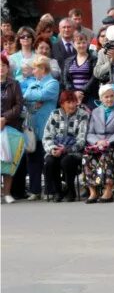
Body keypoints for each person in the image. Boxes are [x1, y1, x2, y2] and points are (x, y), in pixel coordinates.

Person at [22, 55, 60, 200]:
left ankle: (50, 189)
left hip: (47, 128)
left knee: (46, 160)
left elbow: (43, 94)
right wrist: (36, 98)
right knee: (32, 160)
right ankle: (35, 191)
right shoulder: (32, 83)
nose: (33, 72)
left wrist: (36, 97)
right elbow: (25, 99)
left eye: (35, 69)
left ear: (43, 68)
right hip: (33, 128)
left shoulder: (53, 83)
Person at [42, 90, 89, 202]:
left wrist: (66, 149)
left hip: (73, 150)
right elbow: (47, 136)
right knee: (50, 161)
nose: (72, 105)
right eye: (69, 102)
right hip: (56, 148)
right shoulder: (55, 114)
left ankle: (70, 190)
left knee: (66, 161)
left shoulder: (83, 115)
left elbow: (82, 138)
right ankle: (58, 191)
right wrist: (53, 149)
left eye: (73, 102)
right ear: (62, 103)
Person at [82, 84, 114, 203]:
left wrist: (107, 142)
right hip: (97, 144)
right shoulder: (95, 111)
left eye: (112, 96)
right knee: (87, 156)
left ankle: (108, 190)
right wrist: (97, 142)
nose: (109, 99)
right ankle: (93, 191)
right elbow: (89, 133)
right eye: (106, 97)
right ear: (101, 98)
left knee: (107, 156)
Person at [0, 54, 24, 203]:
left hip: (10, 128)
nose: (0, 69)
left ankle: (7, 192)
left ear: (7, 68)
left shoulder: (14, 84)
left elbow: (18, 105)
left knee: (8, 161)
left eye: (3, 66)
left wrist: (4, 117)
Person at [62, 31, 97, 107]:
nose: (81, 45)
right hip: (72, 96)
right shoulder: (68, 60)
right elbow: (65, 79)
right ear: (73, 44)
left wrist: (81, 92)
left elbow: (94, 77)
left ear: (87, 44)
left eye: (84, 42)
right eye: (78, 43)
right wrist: (74, 92)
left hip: (89, 96)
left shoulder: (93, 59)